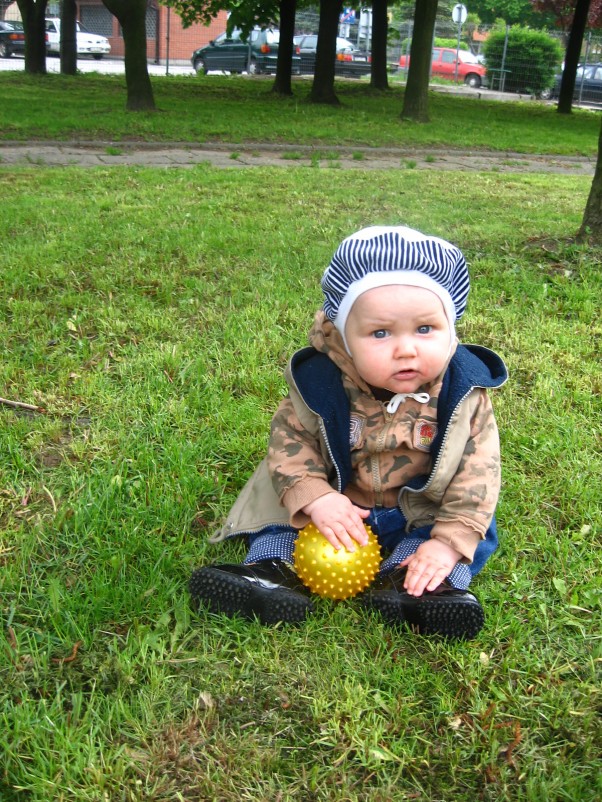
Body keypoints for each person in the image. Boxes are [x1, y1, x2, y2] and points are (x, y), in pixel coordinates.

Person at [189, 225, 507, 639]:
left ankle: (421, 584)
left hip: (418, 511)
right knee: (281, 505)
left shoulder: (465, 394)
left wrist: (447, 543)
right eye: (380, 333)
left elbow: (478, 473)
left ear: (451, 327)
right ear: (343, 335)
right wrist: (317, 499)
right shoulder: (321, 382)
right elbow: (290, 445)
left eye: (425, 329)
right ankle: (268, 570)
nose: (406, 349)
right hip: (337, 505)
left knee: (464, 532)